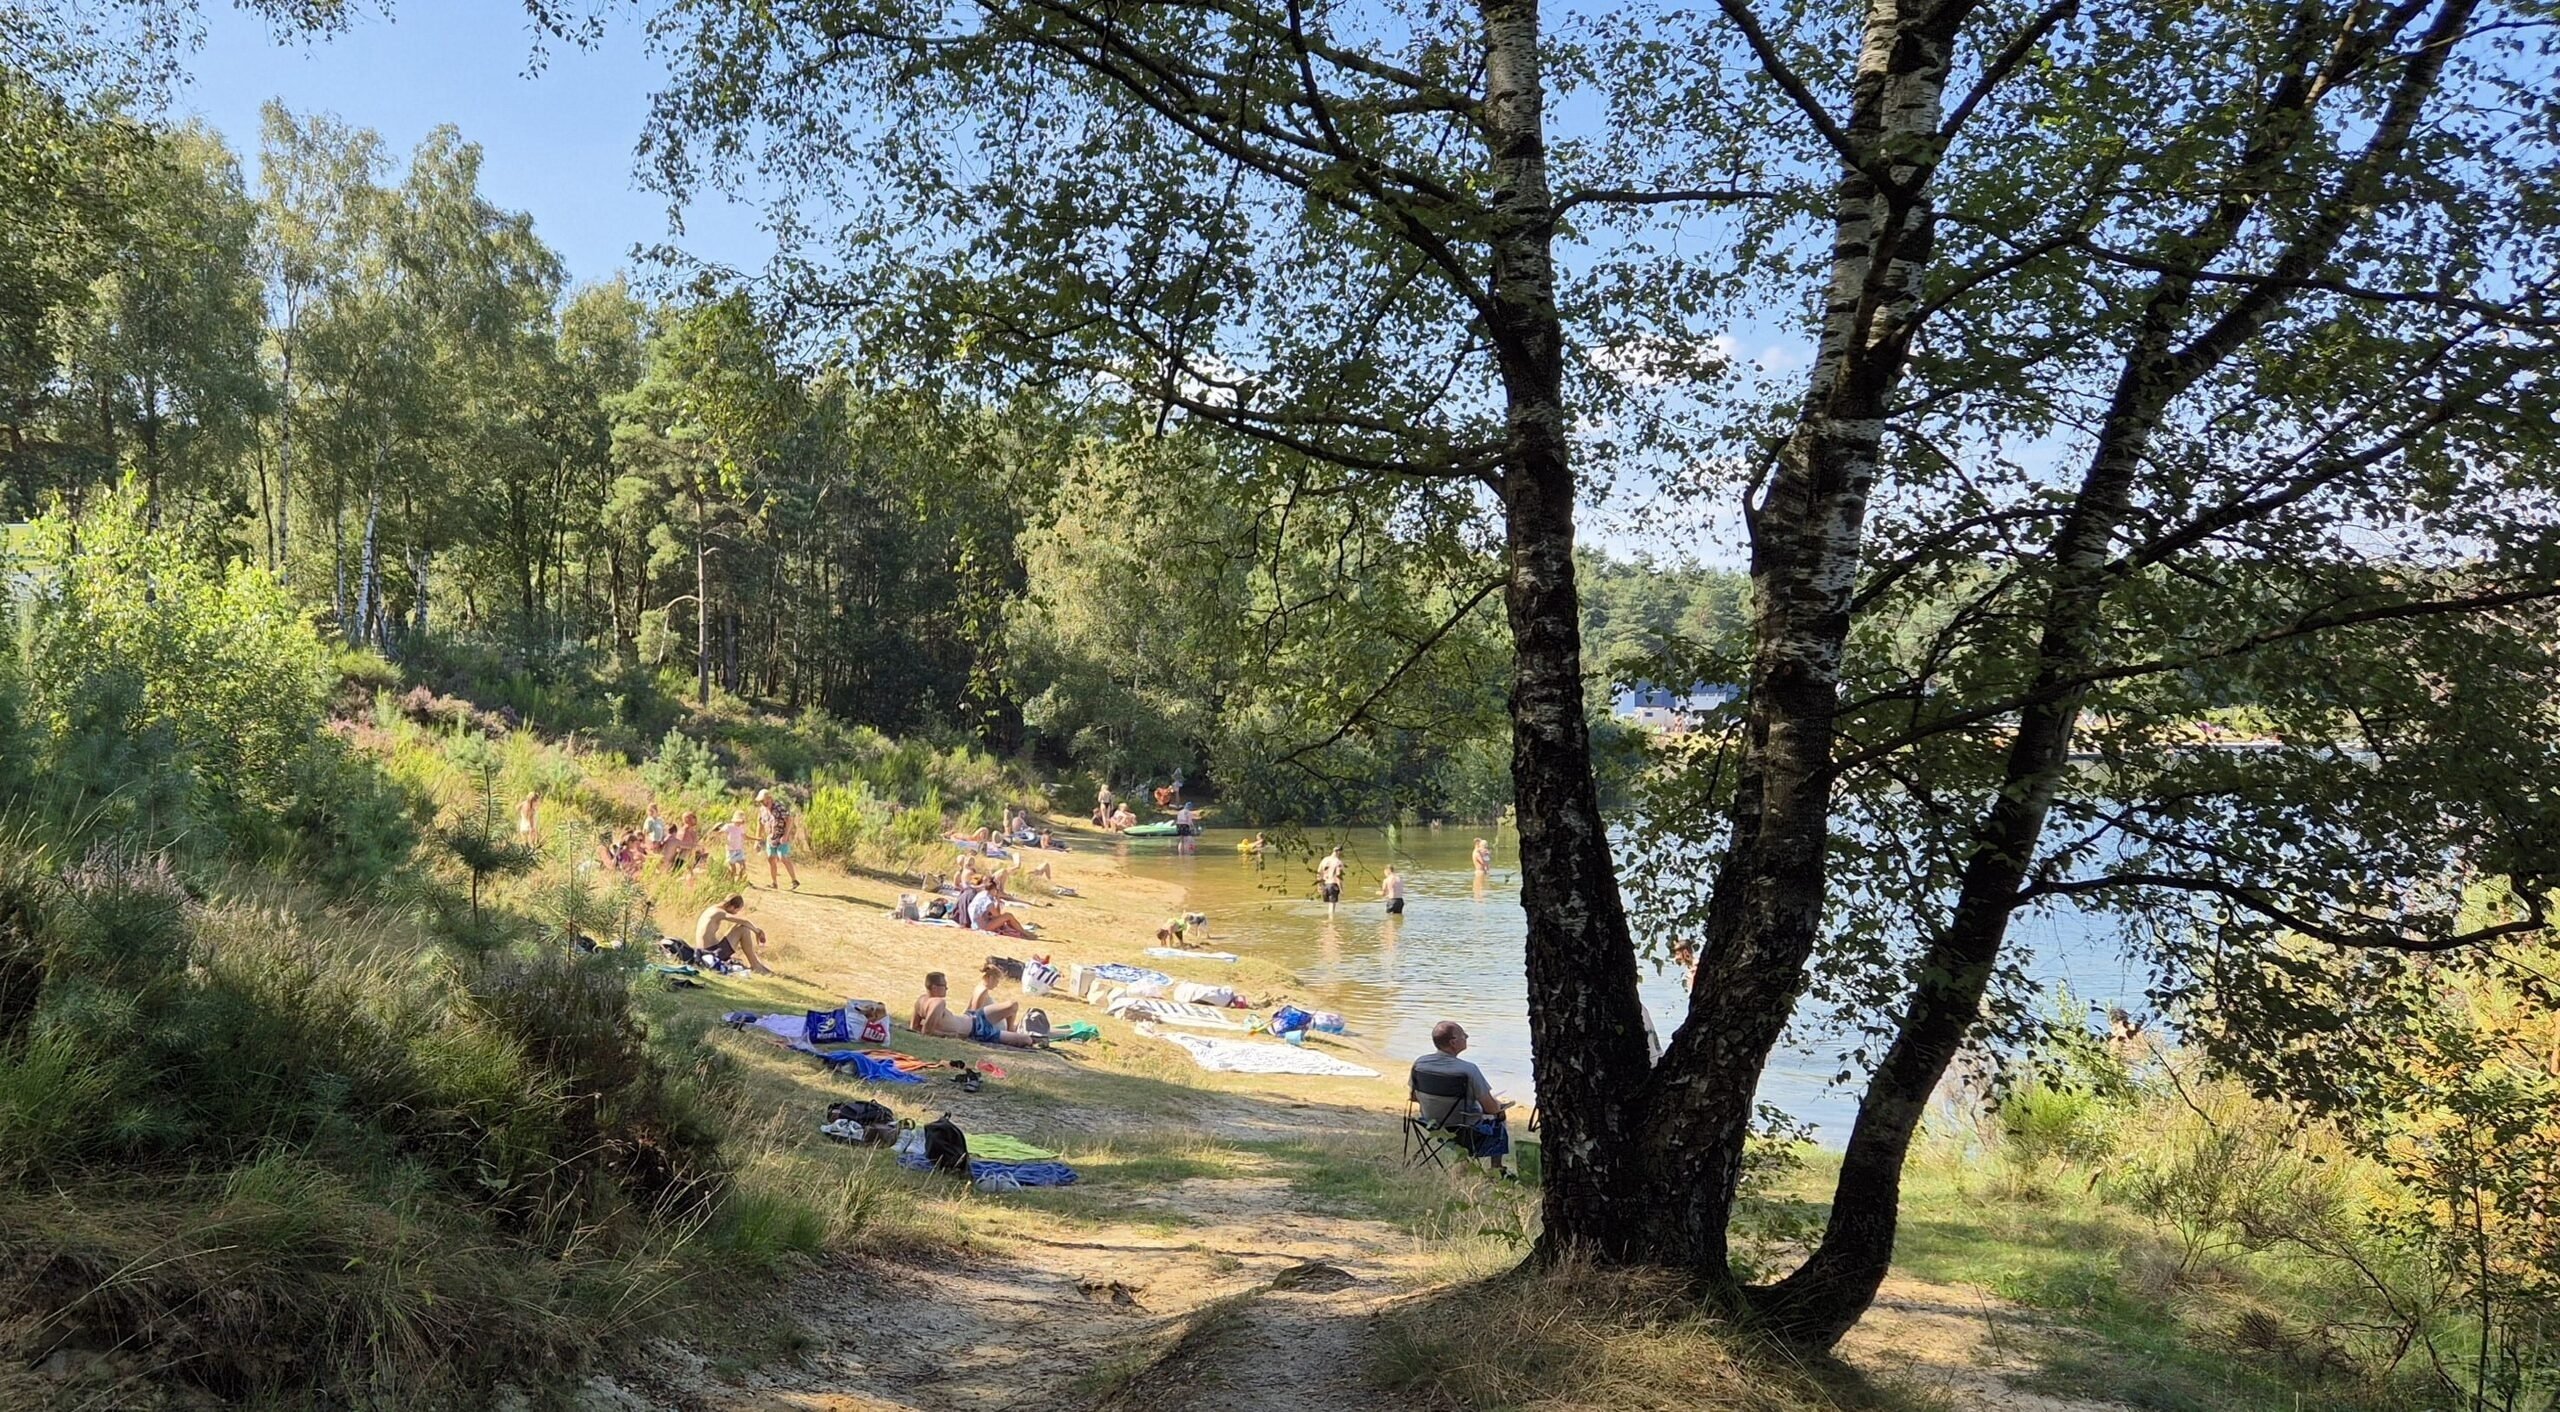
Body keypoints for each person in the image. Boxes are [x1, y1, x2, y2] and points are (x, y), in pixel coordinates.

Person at [1411, 1020, 1512, 1178]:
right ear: (1453, 1042)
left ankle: (1463, 1163)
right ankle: (1496, 1170)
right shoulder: (1467, 1070)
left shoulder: (1420, 1063)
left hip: (1431, 1124)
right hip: (1464, 1129)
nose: (1467, 1037)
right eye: (1463, 1035)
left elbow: (1413, 1097)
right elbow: (1491, 1109)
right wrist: (1498, 1106)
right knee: (1499, 1116)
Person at [912, 970, 1042, 1047]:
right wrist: (953, 1035)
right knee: (1026, 1040)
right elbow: (927, 1032)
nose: (947, 989)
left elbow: (914, 1027)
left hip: (973, 1017)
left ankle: (1011, 1029)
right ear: (934, 987)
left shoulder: (920, 1000)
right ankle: (1017, 1034)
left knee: (1012, 1005)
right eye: (944, 986)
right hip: (977, 1030)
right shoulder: (938, 1003)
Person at [694, 894, 774, 974]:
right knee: (744, 929)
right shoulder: (719, 912)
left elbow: (740, 922)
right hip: (712, 954)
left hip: (703, 951)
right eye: (737, 910)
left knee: (739, 925)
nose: (736, 913)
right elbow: (745, 922)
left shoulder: (712, 909)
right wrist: (757, 931)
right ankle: (756, 965)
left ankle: (756, 964)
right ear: (732, 907)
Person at [756, 788, 802, 891]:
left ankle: (794, 880)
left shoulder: (779, 807)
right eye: (761, 801)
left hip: (782, 837)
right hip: (771, 838)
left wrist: (785, 835)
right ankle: (774, 882)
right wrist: (758, 840)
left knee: (782, 857)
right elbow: (760, 824)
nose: (762, 803)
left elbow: (789, 819)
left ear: (769, 798)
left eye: (763, 800)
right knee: (771, 859)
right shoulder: (762, 810)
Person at [968, 961, 1024, 1029]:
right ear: (991, 978)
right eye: (997, 981)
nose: (997, 985)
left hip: (990, 1022)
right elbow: (974, 1014)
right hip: (989, 1027)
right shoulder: (982, 991)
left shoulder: (979, 987)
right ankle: (1010, 1030)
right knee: (1013, 1006)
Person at [720, 812, 749, 880]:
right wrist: (724, 841)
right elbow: (720, 833)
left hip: (739, 849)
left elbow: (745, 837)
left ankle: (739, 880)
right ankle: (731, 882)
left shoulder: (741, 828)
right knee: (733, 869)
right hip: (731, 850)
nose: (740, 823)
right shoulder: (728, 826)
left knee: (743, 867)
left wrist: (756, 839)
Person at [1318, 846, 1345, 914]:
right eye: (1341, 853)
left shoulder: (1324, 860)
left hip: (1325, 884)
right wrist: (1341, 889)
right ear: (1338, 852)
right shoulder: (1338, 862)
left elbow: (1319, 872)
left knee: (1329, 905)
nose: (1341, 855)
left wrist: (1319, 885)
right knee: (1332, 906)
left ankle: (1328, 920)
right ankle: (1331, 921)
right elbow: (1338, 876)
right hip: (1333, 885)